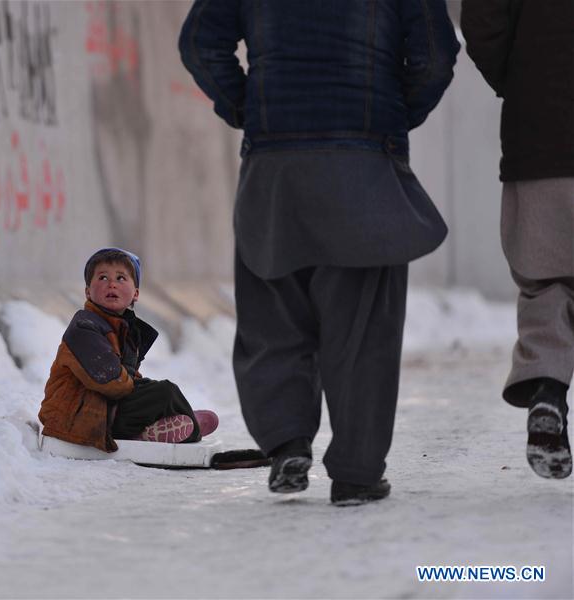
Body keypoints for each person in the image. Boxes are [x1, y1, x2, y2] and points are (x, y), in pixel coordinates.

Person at [179, 1, 459, 505]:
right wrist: (391, 116)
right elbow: (435, 58)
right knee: (363, 330)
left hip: (275, 168)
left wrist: (249, 110)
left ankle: (287, 443)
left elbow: (200, 45)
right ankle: (356, 472)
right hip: (364, 166)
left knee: (272, 318)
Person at [462, 0, 573, 479]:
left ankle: (547, 392)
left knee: (545, 279)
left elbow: (483, 22)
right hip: (539, 130)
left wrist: (521, 78)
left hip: (540, 134)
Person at [39, 248, 218, 451]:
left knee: (157, 392)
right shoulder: (84, 327)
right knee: (165, 392)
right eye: (103, 277)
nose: (112, 283)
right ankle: (189, 427)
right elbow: (111, 380)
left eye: (121, 278)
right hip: (75, 417)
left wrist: (143, 390)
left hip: (101, 409)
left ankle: (157, 428)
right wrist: (146, 394)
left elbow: (127, 377)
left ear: (136, 294)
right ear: (88, 291)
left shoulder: (122, 328)